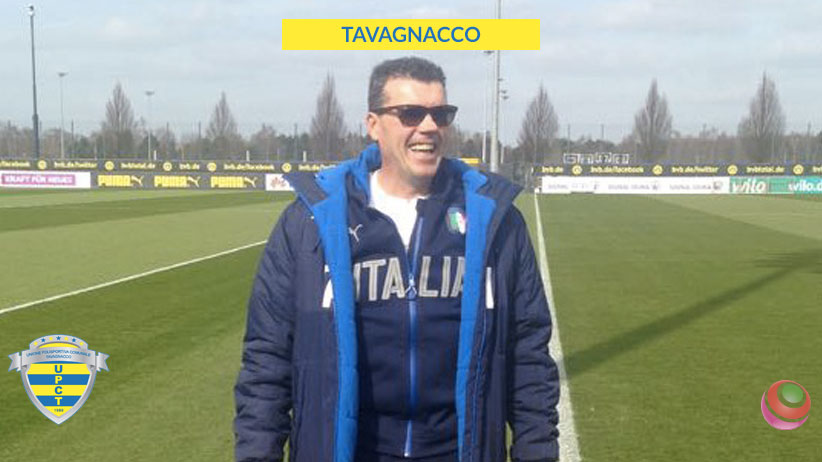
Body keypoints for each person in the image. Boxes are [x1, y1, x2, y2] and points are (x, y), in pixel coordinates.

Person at [234, 56, 559, 462]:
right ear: (373, 124)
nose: (429, 126)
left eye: (441, 114)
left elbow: (529, 358)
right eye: (410, 113)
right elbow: (267, 360)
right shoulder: (309, 223)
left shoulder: (496, 221)